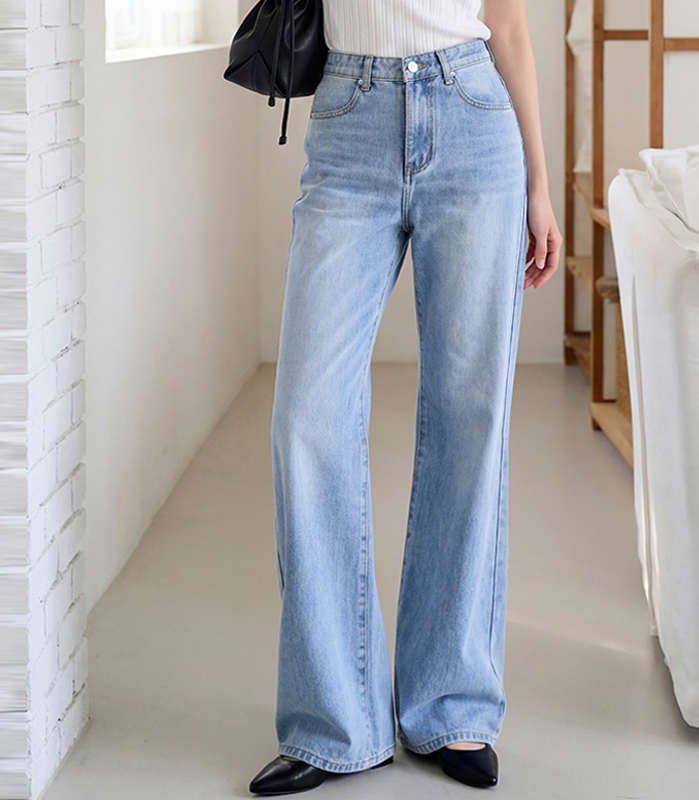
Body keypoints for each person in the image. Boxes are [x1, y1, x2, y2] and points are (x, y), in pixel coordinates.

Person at [249, 0, 562, 793]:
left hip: (472, 114)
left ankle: (451, 703)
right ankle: (332, 720)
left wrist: (540, 183)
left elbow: (508, 23)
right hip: (348, 119)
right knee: (306, 420)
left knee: (469, 419)